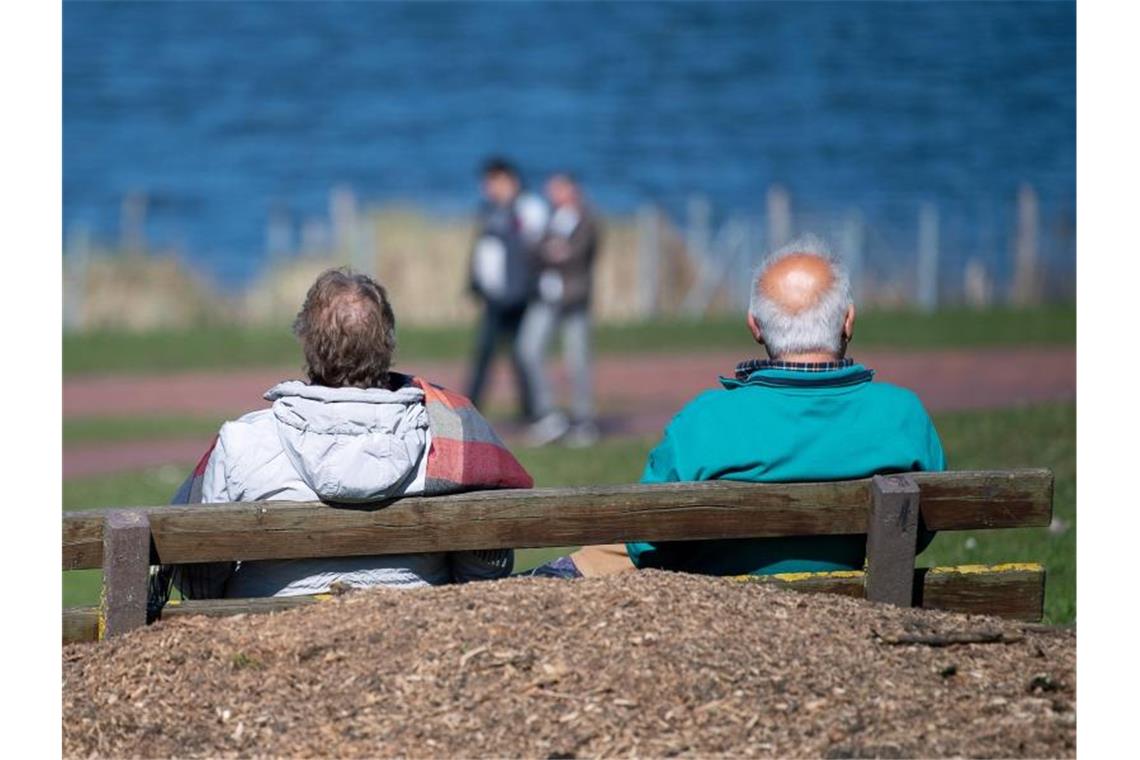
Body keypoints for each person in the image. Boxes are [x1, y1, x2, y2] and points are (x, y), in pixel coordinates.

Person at [527, 234, 945, 579]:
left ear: (755, 326)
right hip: (856, 611)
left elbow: (645, 537)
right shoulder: (902, 416)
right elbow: (920, 528)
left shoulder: (705, 421)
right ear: (849, 320)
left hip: (725, 616)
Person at [156, 268, 533, 601]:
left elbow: (199, 579)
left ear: (307, 341)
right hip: (413, 634)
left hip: (267, 639)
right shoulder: (451, 433)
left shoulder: (243, 442)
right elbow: (484, 572)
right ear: (387, 345)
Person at [518, 172, 603, 447]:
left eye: (558, 189)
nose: (553, 195)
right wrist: (551, 250)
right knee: (528, 349)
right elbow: (535, 251)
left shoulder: (587, 218)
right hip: (546, 296)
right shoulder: (552, 219)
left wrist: (555, 251)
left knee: (577, 359)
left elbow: (576, 254)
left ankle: (583, 420)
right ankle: (548, 415)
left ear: (572, 189)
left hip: (574, 299)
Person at [466, 156, 549, 420]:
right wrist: (475, 283)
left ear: (508, 180)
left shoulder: (528, 208)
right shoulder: (490, 211)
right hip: (495, 298)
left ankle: (532, 411)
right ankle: (470, 409)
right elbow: (483, 253)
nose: (488, 189)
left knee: (522, 356)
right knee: (484, 354)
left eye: (492, 182)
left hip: (520, 298)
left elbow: (536, 249)